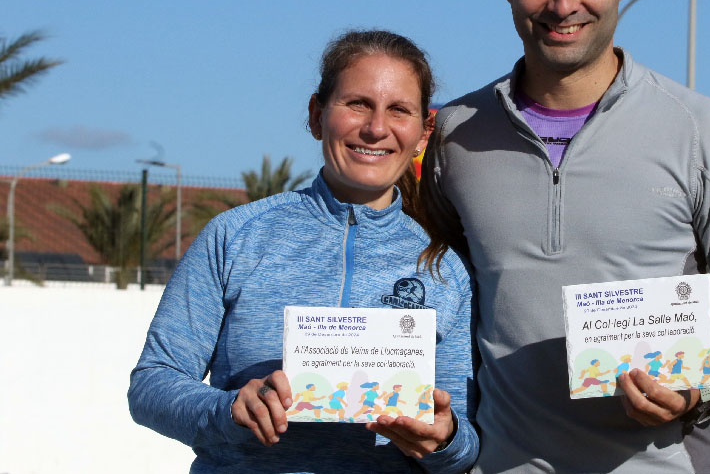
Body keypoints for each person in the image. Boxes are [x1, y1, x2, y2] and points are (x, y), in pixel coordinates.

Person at [421, 0, 710, 473]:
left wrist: (701, 389)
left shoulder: (698, 129)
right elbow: (426, 283)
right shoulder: (454, 134)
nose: (563, 3)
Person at [129, 29, 478, 473]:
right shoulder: (234, 236)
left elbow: (464, 442)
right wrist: (229, 409)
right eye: (357, 104)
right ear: (316, 115)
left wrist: (445, 439)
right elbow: (152, 385)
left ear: (423, 132)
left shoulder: (445, 267)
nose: (376, 128)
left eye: (398, 110)